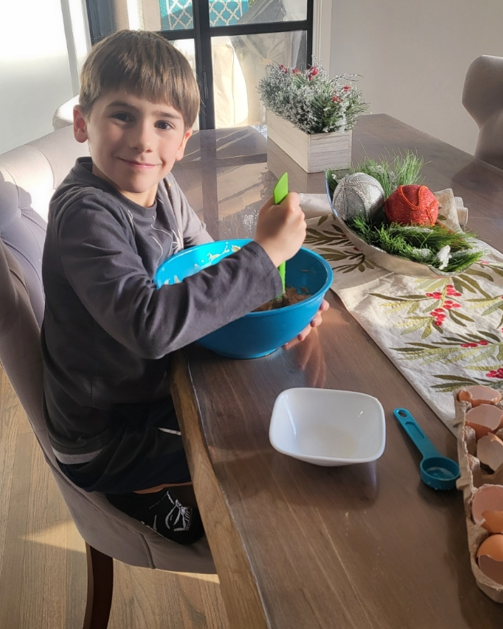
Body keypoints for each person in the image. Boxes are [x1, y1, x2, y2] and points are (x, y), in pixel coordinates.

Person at [41, 29, 327, 545]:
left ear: (183, 140)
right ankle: (150, 497)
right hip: (110, 437)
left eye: (163, 123)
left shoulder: (163, 186)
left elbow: (202, 267)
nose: (143, 139)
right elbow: (149, 325)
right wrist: (264, 256)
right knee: (267, 457)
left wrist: (278, 311)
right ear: (84, 123)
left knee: (278, 403)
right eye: (122, 115)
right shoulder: (86, 214)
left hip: (162, 384)